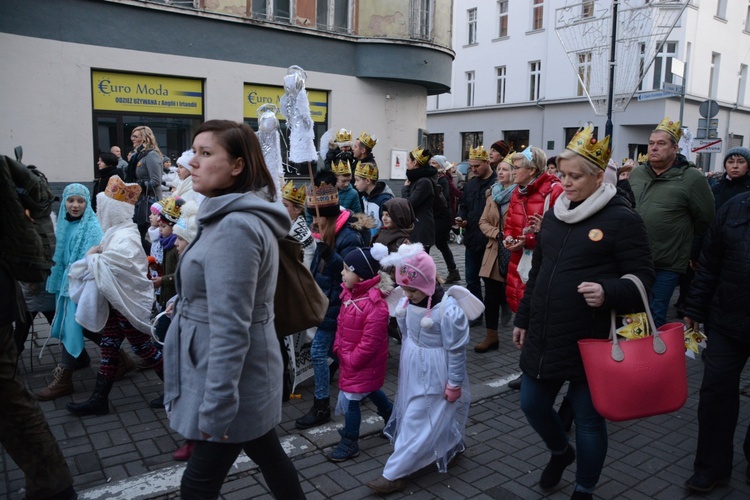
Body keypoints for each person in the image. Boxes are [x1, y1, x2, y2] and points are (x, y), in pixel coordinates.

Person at [161, 120, 305, 498]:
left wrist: (217, 408)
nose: (193, 162)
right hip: (238, 372)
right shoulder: (222, 215)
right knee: (269, 455)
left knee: (197, 485)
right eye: (194, 151)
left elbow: (231, 326)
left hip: (232, 379)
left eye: (206, 153)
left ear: (237, 166)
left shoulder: (236, 227)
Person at [513, 125, 655, 500]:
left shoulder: (623, 219)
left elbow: (643, 278)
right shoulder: (556, 213)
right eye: (563, 174)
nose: (566, 182)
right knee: (532, 404)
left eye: (575, 176)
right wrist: (524, 318)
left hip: (594, 340)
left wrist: (609, 290)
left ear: (598, 176)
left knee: (590, 421)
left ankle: (584, 488)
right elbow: (539, 272)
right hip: (547, 333)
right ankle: (561, 452)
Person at [0, 155, 78, 500]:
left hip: (30, 289)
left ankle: (53, 486)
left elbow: (32, 237)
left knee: (9, 399)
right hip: (40, 289)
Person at [368, 244, 471, 494]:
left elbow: (456, 351)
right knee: (429, 413)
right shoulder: (407, 302)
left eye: (413, 289)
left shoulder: (448, 310)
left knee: (417, 417)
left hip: (437, 370)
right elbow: (406, 334)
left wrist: (454, 383)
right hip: (414, 365)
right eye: (404, 288)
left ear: (427, 282)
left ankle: (394, 473)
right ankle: (451, 444)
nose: (408, 294)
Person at [66, 176, 164, 416]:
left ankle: (177, 389)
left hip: (125, 303)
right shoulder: (115, 233)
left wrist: (91, 256)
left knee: (143, 348)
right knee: (109, 347)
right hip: (116, 302)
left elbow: (120, 263)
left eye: (103, 207)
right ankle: (99, 400)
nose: (99, 212)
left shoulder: (126, 235)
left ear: (112, 209)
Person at [682, 181, 750, 494]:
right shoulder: (735, 207)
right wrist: (695, 307)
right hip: (727, 319)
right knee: (715, 393)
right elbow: (709, 263)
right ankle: (711, 467)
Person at [295, 172, 369, 430]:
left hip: (340, 306)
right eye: (312, 217)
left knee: (319, 352)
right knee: (334, 353)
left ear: (331, 217)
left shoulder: (348, 237)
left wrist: (334, 258)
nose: (315, 223)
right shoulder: (326, 233)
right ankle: (371, 393)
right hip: (327, 303)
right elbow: (319, 267)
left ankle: (321, 405)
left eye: (319, 218)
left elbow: (354, 274)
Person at [628, 117, 714, 327]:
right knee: (631, 314)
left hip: (667, 262)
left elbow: (706, 218)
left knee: (654, 315)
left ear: (675, 148)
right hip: (633, 259)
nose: (654, 148)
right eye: (651, 144)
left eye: (661, 143)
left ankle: (652, 359)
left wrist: (683, 242)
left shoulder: (692, 178)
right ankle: (630, 358)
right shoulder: (638, 173)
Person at [35, 183, 104, 401]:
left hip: (81, 285)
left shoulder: (92, 227)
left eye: (80, 201)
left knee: (71, 326)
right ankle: (119, 357)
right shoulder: (63, 224)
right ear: (64, 201)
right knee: (75, 324)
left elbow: (90, 261)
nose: (75, 205)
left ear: (87, 204)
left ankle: (64, 379)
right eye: (71, 200)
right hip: (65, 283)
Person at [328, 244, 394, 462]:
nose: (342, 272)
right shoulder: (350, 295)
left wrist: (351, 358)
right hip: (349, 357)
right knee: (370, 388)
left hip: (361, 361)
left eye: (347, 269)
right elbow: (341, 323)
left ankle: (350, 441)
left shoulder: (374, 305)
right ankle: (392, 417)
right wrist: (338, 346)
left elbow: (370, 341)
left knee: (352, 400)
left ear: (360, 275)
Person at [503, 146, 563, 314]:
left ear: (532, 170)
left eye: (516, 168)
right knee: (521, 313)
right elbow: (509, 224)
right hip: (519, 261)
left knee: (535, 315)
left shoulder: (555, 191)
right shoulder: (518, 190)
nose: (512, 172)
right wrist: (508, 238)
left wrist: (529, 240)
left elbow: (560, 234)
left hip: (541, 264)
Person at [475, 151, 515, 353]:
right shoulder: (492, 193)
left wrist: (509, 236)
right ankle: (491, 336)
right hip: (493, 249)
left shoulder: (520, 194)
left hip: (514, 249)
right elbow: (482, 221)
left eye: (505, 169)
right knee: (490, 294)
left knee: (512, 292)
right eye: (499, 169)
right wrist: (497, 234)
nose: (500, 172)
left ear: (514, 173)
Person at [456, 146, 497, 326]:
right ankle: (475, 313)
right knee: (471, 278)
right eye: (471, 166)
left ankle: (492, 313)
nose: (473, 169)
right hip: (471, 238)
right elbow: (464, 206)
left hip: (490, 241)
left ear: (487, 163)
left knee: (490, 282)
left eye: (476, 166)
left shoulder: (497, 183)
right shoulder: (471, 184)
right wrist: (461, 218)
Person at [431, 155, 461, 283]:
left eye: (434, 163)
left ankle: (450, 271)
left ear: (440, 166)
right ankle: (451, 271)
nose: (431, 165)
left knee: (440, 244)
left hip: (442, 217)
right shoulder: (435, 178)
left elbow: (442, 199)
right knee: (439, 244)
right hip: (437, 216)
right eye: (431, 162)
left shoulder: (442, 180)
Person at [401, 146, 438, 249]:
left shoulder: (424, 182)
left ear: (415, 163)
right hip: (416, 226)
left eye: (408, 160)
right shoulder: (416, 179)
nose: (406, 163)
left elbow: (409, 204)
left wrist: (405, 189)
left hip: (421, 229)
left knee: (419, 263)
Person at [354, 161, 393, 238]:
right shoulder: (366, 197)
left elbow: (388, 227)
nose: (355, 184)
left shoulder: (384, 200)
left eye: (357, 180)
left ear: (368, 181)